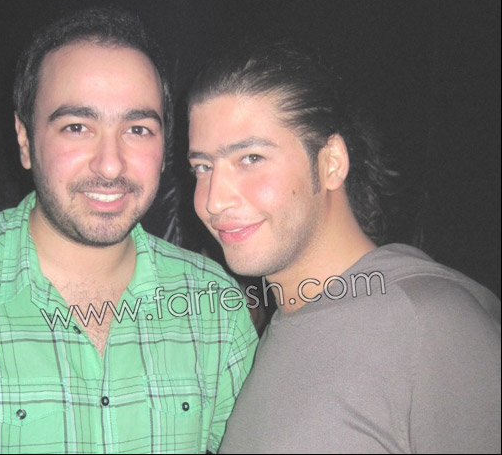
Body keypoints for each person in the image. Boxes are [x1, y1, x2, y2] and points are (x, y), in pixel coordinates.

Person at [0, 8, 258, 454]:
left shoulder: (214, 306)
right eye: (77, 127)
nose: (110, 165)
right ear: (25, 139)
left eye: (138, 129)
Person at [187, 42, 501, 453]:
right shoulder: (283, 328)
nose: (214, 200)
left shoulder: (430, 321)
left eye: (250, 158)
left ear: (331, 162)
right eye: (202, 167)